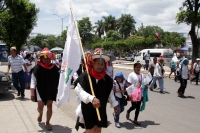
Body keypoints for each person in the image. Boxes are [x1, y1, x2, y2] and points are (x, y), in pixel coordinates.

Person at [74, 51, 118, 133]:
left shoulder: (107, 79)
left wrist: (114, 104)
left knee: (97, 130)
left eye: (102, 64)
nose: (100, 66)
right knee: (90, 130)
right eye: (98, 63)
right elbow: (78, 90)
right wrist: (91, 98)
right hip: (87, 108)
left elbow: (110, 92)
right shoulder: (85, 76)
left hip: (100, 108)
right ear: (93, 64)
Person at [30, 48, 60, 130]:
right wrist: (32, 93)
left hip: (51, 89)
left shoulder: (54, 68)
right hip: (40, 90)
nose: (47, 60)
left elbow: (60, 78)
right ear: (41, 58)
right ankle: (40, 113)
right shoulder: (37, 68)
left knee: (50, 106)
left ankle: (47, 122)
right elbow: (33, 80)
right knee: (40, 107)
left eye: (48, 58)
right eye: (45, 58)